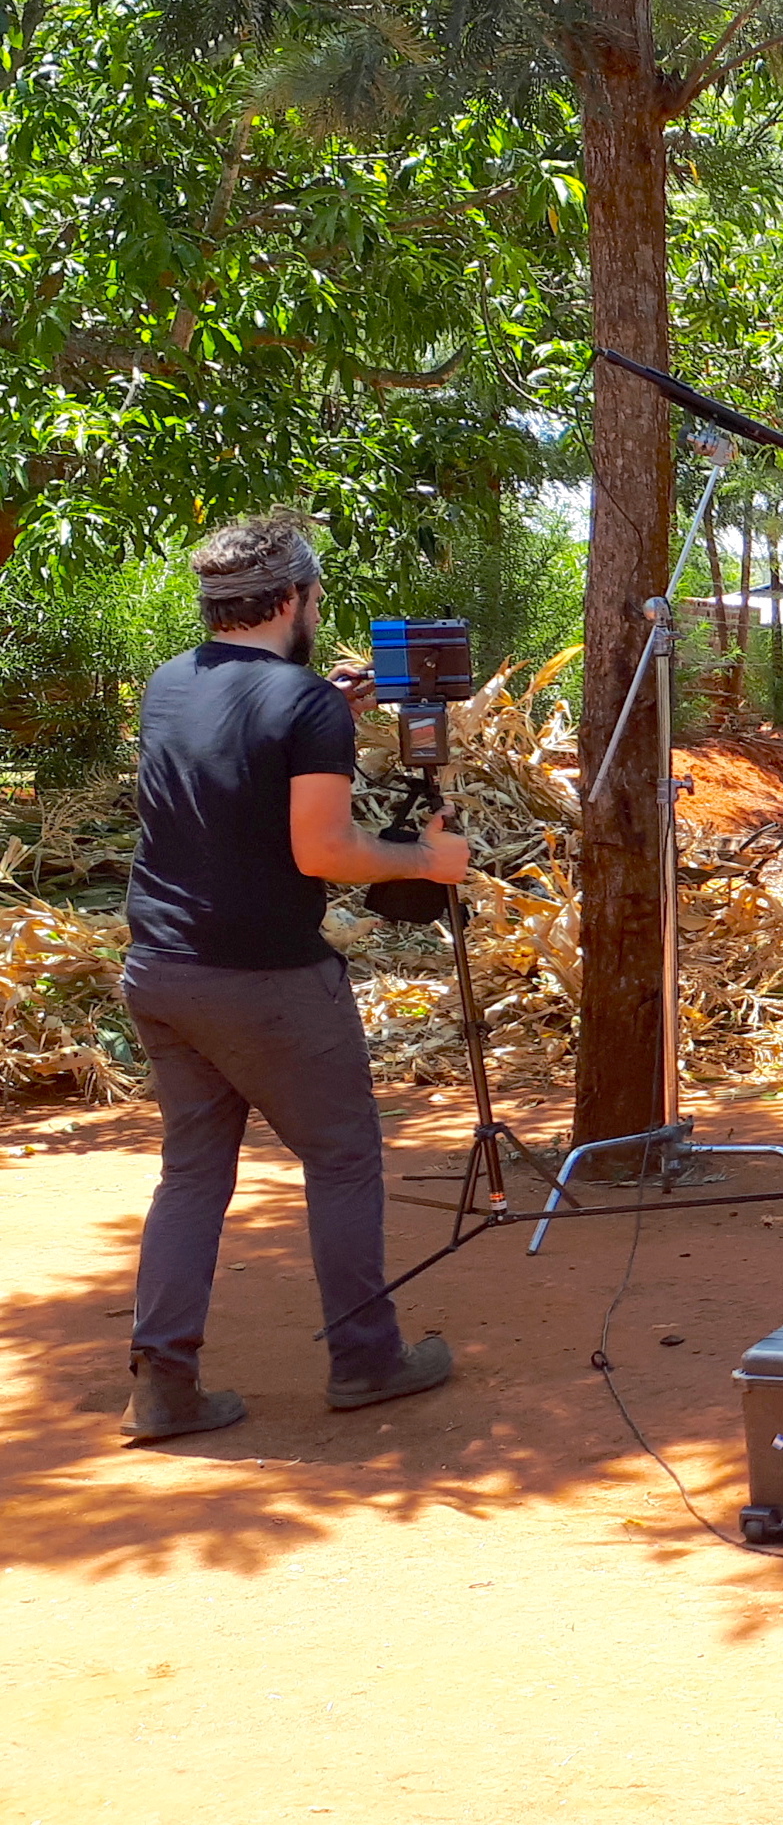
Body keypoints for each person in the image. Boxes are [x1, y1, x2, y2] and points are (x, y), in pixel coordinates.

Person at [118, 514, 471, 1442]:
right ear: (294, 598)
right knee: (344, 1158)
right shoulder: (303, 703)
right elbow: (323, 848)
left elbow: (236, 764)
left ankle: (163, 1384)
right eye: (315, 597)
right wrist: (424, 861)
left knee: (192, 1177)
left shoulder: (170, 684)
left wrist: (321, 715)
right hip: (265, 978)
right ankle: (366, 1358)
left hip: (161, 967)